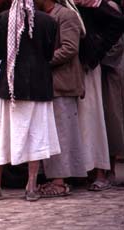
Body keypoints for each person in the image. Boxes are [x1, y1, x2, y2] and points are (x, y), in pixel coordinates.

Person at [0, 0, 60, 201]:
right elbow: (48, 54)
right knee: (36, 135)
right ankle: (31, 187)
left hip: (11, 87)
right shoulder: (48, 21)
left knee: (2, 137)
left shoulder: (3, 19)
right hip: (39, 87)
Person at [34, 0, 88, 197]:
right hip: (48, 85)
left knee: (62, 134)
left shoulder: (66, 16)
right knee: (53, 133)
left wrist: (41, 62)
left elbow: (70, 47)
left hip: (63, 83)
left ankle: (60, 181)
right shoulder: (42, 16)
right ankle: (55, 178)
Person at [76, 0, 124, 191]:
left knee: (101, 118)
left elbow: (116, 25)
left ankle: (103, 171)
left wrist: (95, 55)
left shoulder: (100, 5)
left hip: (101, 70)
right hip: (87, 68)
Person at [100, 0, 124, 185]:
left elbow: (117, 43)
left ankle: (110, 170)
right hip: (111, 68)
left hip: (113, 70)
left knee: (113, 118)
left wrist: (96, 58)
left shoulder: (110, 8)